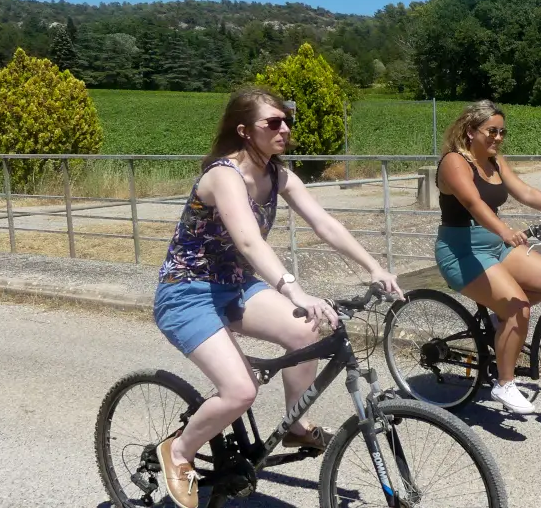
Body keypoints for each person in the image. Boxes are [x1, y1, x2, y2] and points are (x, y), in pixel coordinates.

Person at [151, 86, 402, 508]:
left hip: (235, 286)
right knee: (240, 390)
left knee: (308, 331)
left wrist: (374, 267)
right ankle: (178, 451)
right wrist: (295, 291)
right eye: (273, 122)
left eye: (287, 120)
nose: (284, 128)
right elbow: (249, 242)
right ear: (244, 130)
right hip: (187, 292)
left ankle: (295, 425)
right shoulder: (224, 175)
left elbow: (325, 223)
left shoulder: (277, 175)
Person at [434, 99, 541, 415]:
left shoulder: (495, 161)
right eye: (492, 131)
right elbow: (473, 203)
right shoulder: (454, 162)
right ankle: (504, 383)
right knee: (518, 307)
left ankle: (499, 322)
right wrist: (504, 230)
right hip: (462, 252)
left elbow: (525, 192)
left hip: (494, 248)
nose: (498, 138)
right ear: (471, 131)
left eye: (502, 132)